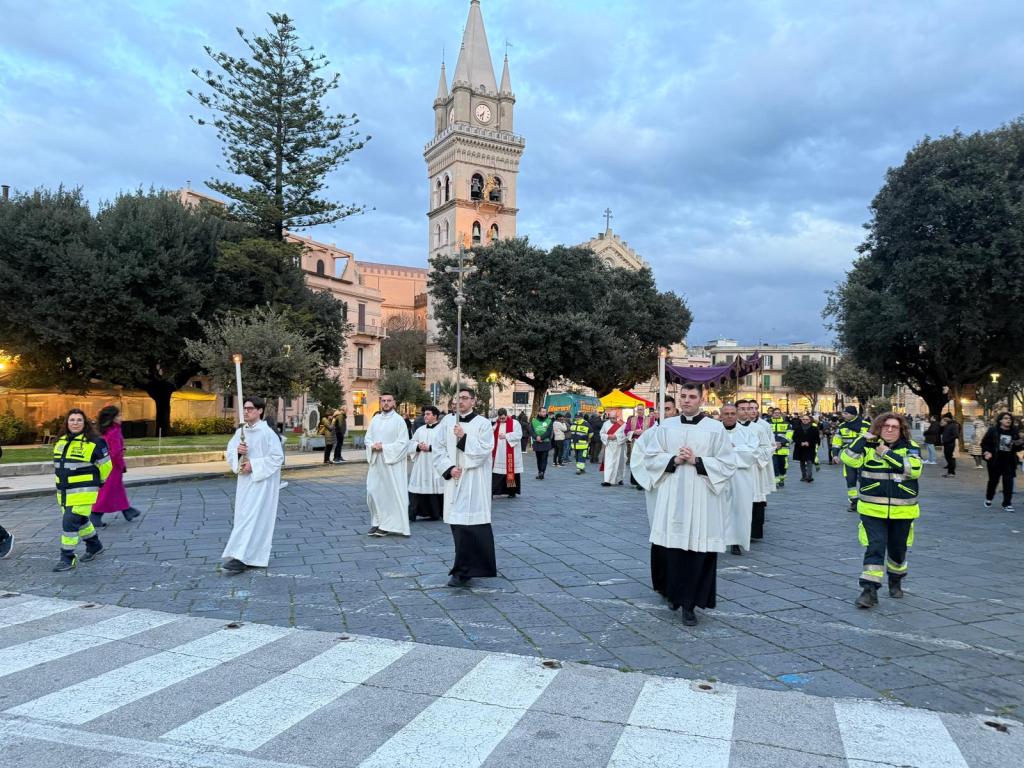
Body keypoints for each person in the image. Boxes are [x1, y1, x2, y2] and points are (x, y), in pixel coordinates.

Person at [633, 383, 737, 626]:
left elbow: (727, 463)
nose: (687, 400)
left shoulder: (715, 428)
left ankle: (690, 605)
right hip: (672, 494)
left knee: (697, 551)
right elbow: (650, 456)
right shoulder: (666, 426)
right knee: (672, 549)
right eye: (683, 396)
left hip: (702, 496)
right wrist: (674, 459)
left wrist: (697, 461)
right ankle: (674, 595)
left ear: (702, 399)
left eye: (692, 396)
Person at [841, 412, 922, 609]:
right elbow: (848, 459)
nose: (889, 430)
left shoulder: (911, 447)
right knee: (875, 547)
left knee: (897, 550)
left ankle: (895, 579)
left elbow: (913, 470)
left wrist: (885, 452)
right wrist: (863, 439)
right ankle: (869, 590)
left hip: (903, 511)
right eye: (886, 426)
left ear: (901, 430)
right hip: (872, 509)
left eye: (894, 427)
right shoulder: (867, 446)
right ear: (878, 428)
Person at [433, 388, 497, 588]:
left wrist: (463, 437)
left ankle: (474, 568)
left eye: (465, 398)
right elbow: (438, 448)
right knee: (458, 526)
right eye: (457, 398)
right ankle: (462, 570)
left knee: (475, 526)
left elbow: (485, 451)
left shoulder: (483, 423)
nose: (460, 401)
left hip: (475, 481)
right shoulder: (447, 422)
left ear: (473, 401)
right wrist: (449, 468)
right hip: (455, 480)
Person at [222, 396, 285, 574]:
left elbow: (277, 458)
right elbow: (230, 452)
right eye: (245, 408)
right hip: (244, 483)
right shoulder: (241, 432)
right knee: (243, 517)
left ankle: (241, 557)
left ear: (260, 411)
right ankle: (250, 556)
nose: (246, 411)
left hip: (261, 484)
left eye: (250, 408)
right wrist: (238, 452)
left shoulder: (267, 433)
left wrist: (254, 465)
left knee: (253, 518)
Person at [52, 408, 112, 572]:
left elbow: (107, 466)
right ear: (67, 423)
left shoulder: (95, 442)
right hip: (64, 492)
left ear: (85, 423)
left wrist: (99, 482)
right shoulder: (61, 441)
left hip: (84, 491)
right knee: (81, 521)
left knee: (69, 522)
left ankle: (67, 557)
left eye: (79, 420)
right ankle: (94, 546)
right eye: (72, 420)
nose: (75, 423)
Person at [364, 393, 411, 537]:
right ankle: (377, 521)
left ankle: (388, 525)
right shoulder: (375, 419)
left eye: (389, 401)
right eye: (383, 401)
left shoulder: (399, 421)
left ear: (394, 403)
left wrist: (383, 447)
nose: (386, 403)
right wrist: (372, 445)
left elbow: (403, 443)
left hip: (391, 465)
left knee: (389, 494)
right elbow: (367, 438)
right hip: (376, 462)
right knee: (372, 492)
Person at [89, 405, 141, 529]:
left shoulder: (105, 431)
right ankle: (95, 514)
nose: (121, 418)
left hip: (105, 464)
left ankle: (127, 510)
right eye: (118, 415)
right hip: (113, 467)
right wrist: (121, 465)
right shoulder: (115, 431)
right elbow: (116, 452)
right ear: (112, 418)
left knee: (116, 489)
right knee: (108, 491)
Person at [720, 404, 757, 557]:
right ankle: (717, 540)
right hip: (719, 475)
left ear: (736, 415)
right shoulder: (714, 431)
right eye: (726, 413)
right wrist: (734, 449)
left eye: (732, 413)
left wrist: (731, 449)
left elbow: (752, 453)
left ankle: (736, 541)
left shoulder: (747, 432)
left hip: (741, 476)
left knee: (739, 508)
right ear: (721, 415)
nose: (729, 416)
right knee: (718, 508)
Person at [737, 400, 774, 541]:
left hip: (754, 469)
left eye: (748, 408)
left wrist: (752, 453)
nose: (746, 411)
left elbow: (767, 448)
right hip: (736, 469)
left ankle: (754, 532)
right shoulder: (728, 428)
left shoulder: (759, 429)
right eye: (742, 409)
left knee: (755, 500)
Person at [408, 405, 444, 521]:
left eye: (428, 414)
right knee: (417, 487)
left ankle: (435, 513)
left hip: (435, 464)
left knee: (435, 487)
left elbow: (446, 446)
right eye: (425, 414)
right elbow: (411, 443)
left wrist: (430, 448)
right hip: (421, 464)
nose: (425, 416)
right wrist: (418, 446)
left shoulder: (442, 430)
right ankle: (414, 512)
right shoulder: (420, 430)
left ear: (435, 416)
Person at [981, 412, 1023, 512]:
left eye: (1010, 419)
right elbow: (984, 443)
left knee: (1008, 482)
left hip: (1009, 461)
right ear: (1000, 420)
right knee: (993, 481)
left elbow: (1017, 448)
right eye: (1006, 418)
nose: (1008, 420)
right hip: (995, 460)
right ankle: (989, 498)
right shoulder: (993, 430)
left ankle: (1007, 503)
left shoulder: (1014, 431)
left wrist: (1019, 443)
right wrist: (986, 452)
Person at [832, 406, 868, 511]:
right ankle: (854, 502)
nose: (843, 415)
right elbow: (837, 442)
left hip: (863, 458)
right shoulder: (842, 426)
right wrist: (835, 455)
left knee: (864, 480)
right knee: (850, 480)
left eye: (846, 413)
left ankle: (865, 501)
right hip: (849, 459)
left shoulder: (866, 425)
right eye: (843, 413)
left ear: (853, 414)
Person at [491, 408, 523, 498]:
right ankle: (493, 491)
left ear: (506, 415)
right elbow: (490, 433)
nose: (501, 420)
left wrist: (506, 436)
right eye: (500, 418)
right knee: (498, 473)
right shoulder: (496, 424)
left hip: (511, 453)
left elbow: (519, 435)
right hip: (499, 453)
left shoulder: (515, 423)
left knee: (511, 471)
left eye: (503, 418)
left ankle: (511, 492)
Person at [625, 405, 656, 487]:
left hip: (645, 444)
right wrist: (634, 432)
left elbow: (653, 431)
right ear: (636, 410)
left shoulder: (649, 420)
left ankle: (643, 481)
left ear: (644, 410)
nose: (639, 411)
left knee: (643, 461)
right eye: (638, 409)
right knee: (634, 461)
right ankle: (634, 481)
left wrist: (644, 432)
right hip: (635, 443)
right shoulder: (631, 420)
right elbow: (626, 431)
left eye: (641, 409)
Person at [600, 410, 628, 486]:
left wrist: (616, 436)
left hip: (620, 446)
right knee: (609, 463)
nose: (612, 420)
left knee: (620, 463)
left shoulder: (622, 424)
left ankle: (619, 479)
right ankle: (607, 480)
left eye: (614, 418)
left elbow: (626, 434)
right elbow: (601, 433)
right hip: (610, 445)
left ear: (617, 416)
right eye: (611, 418)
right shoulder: (605, 424)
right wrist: (607, 436)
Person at [769, 408, 793, 488]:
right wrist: (773, 443)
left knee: (782, 466)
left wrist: (781, 443)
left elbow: (789, 436)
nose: (777, 414)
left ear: (780, 414)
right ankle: (776, 481)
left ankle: (782, 477)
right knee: (774, 465)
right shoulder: (767, 423)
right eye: (775, 413)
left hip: (783, 449)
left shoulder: (787, 424)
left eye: (778, 413)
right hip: (772, 448)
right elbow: (765, 435)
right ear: (772, 414)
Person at [793, 413, 821, 483]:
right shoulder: (798, 428)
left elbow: (817, 439)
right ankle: (803, 476)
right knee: (802, 462)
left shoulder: (814, 428)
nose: (805, 420)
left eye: (806, 419)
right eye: (803, 419)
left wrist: (809, 443)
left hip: (810, 447)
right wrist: (801, 443)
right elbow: (794, 438)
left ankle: (809, 476)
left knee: (809, 461)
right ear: (801, 420)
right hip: (800, 447)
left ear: (809, 420)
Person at [530, 407, 554, 479]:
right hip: (537, 443)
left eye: (545, 412)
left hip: (545, 442)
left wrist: (541, 438)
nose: (544, 413)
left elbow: (549, 432)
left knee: (544, 458)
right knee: (539, 458)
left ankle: (542, 472)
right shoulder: (533, 421)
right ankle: (539, 471)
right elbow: (531, 431)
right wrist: (536, 437)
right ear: (539, 412)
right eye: (543, 412)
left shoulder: (549, 421)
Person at [940, 413, 960, 477]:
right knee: (948, 458)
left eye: (945, 418)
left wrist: (948, 440)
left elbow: (956, 435)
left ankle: (952, 472)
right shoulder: (947, 425)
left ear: (948, 419)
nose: (944, 419)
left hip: (950, 444)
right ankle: (949, 472)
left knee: (951, 458)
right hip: (947, 444)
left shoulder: (953, 425)